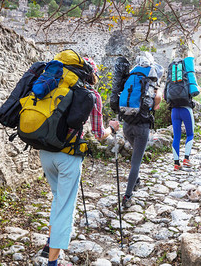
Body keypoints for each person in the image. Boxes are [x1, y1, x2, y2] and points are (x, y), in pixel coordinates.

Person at [41, 57, 119, 266]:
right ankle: (52, 262)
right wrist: (112, 129)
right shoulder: (91, 95)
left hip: (45, 151)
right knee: (66, 206)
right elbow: (98, 133)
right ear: (90, 74)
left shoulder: (52, 86)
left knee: (58, 198)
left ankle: (50, 243)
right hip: (68, 157)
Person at [112, 53, 163, 209]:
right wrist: (154, 106)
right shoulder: (152, 80)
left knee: (136, 154)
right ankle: (127, 196)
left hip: (127, 125)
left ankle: (137, 180)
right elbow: (157, 101)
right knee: (136, 162)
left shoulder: (131, 76)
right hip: (142, 126)